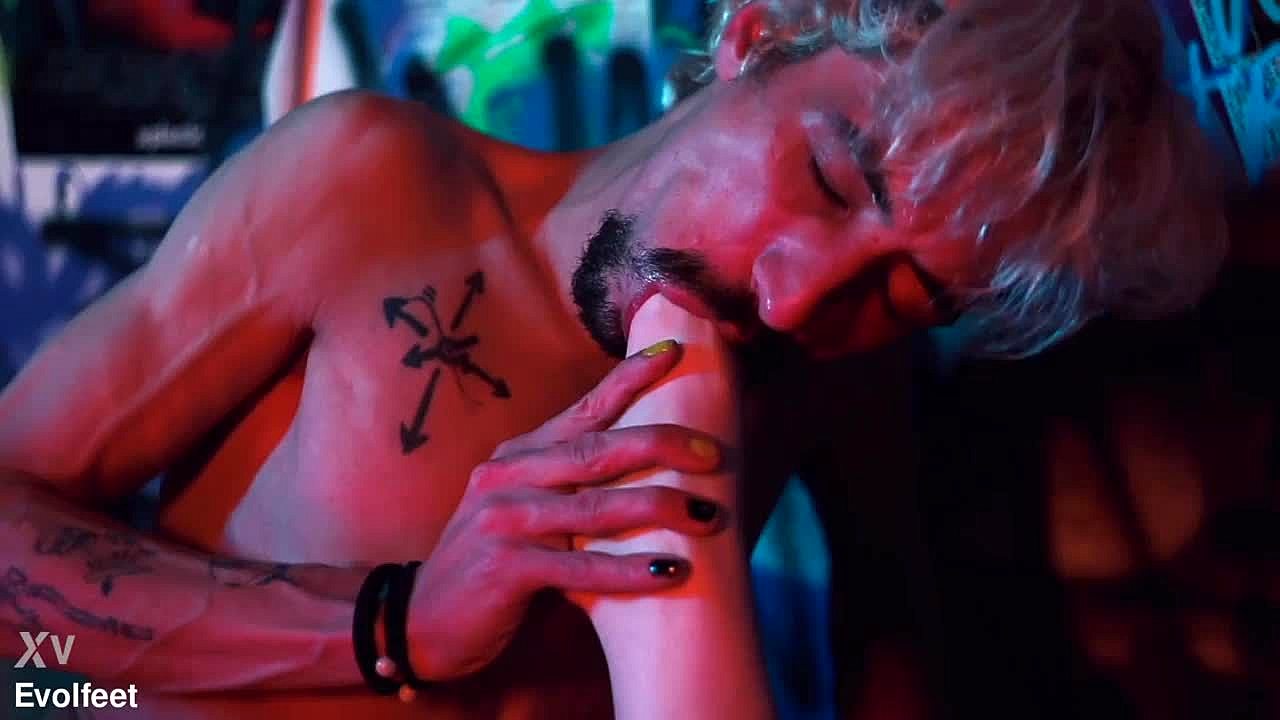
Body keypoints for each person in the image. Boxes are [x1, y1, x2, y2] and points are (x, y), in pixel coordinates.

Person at [0, 0, 1228, 718]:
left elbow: (888, 634)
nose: (796, 295)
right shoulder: (367, 186)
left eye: (907, 290)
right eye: (826, 176)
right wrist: (391, 625)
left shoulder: (830, 366)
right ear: (753, 37)